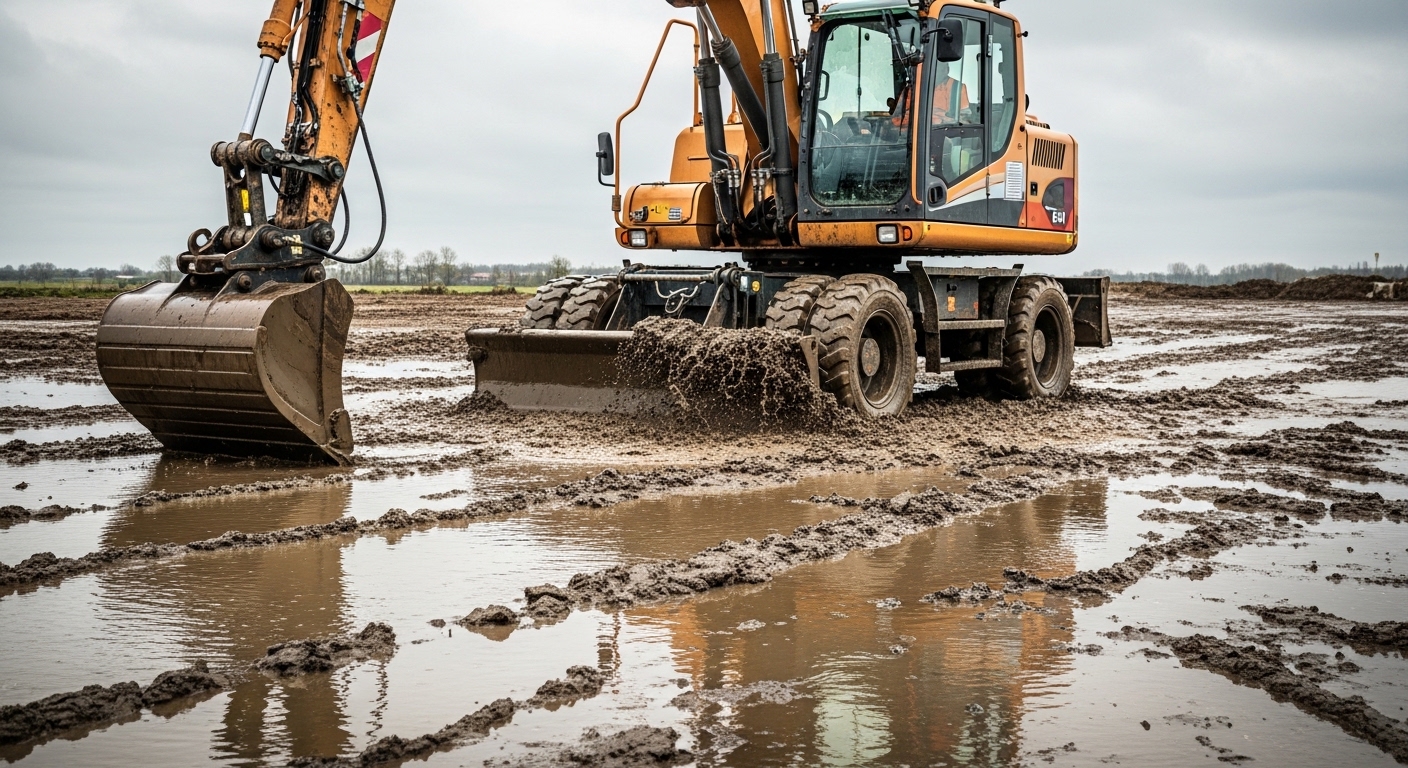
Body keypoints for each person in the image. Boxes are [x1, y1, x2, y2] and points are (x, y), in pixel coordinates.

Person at [930, 61, 971, 125]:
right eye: (935, 69)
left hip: (948, 128)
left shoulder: (957, 87)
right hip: (923, 127)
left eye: (941, 69)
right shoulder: (922, 86)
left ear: (947, 70)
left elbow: (964, 115)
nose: (937, 72)